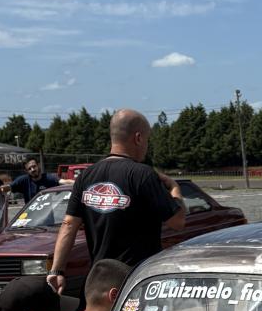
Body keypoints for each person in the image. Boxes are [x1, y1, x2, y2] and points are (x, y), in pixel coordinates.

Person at [47, 109, 186, 291]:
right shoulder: (142, 174)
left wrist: (57, 271)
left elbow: (68, 225)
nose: (146, 145)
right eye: (147, 140)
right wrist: (175, 189)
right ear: (138, 138)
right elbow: (178, 221)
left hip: (99, 280)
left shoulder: (86, 176)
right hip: (135, 282)